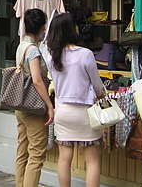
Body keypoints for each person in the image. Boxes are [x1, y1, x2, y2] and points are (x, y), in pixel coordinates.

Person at [45, 12, 106, 187]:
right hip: (84, 112)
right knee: (92, 160)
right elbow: (97, 85)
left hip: (62, 110)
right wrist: (102, 95)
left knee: (64, 158)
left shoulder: (51, 56)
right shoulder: (85, 54)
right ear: (72, 29)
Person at [14, 9, 54, 187]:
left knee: (22, 151)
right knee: (37, 155)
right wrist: (49, 106)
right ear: (43, 27)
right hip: (33, 107)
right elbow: (37, 81)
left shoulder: (21, 46)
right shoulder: (33, 51)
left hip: (20, 106)